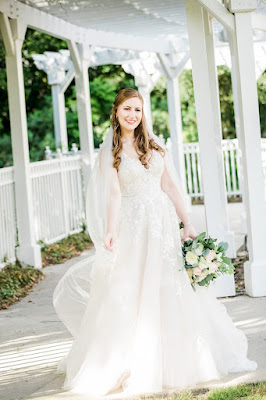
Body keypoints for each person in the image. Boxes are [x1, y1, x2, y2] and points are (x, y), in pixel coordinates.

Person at [53, 88, 257, 398]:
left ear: (142, 113)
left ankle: (175, 358)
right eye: (127, 110)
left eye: (137, 110)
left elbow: (170, 186)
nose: (132, 115)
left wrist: (186, 222)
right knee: (130, 290)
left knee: (167, 287)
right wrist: (110, 230)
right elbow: (114, 194)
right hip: (133, 226)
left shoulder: (153, 145)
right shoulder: (111, 151)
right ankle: (127, 362)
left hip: (162, 225)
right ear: (117, 112)